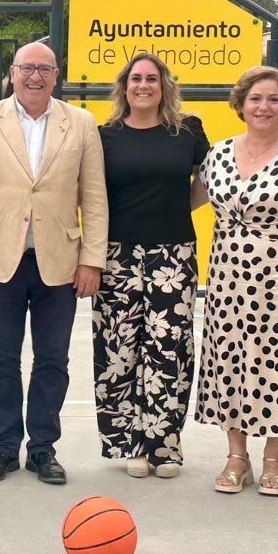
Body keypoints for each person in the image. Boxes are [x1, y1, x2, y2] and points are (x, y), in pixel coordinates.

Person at [0, 41, 108, 485]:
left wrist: (92, 259)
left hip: (59, 261)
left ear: (56, 75)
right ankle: (3, 447)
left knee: (52, 360)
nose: (35, 77)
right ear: (12, 73)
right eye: (27, 68)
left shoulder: (80, 123)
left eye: (44, 69)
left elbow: (93, 199)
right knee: (0, 359)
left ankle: (43, 449)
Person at [193, 66, 278, 496]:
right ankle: (237, 456)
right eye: (256, 99)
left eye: (274, 99)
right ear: (241, 105)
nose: (263, 106)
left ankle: (273, 457)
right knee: (229, 359)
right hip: (227, 278)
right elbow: (186, 199)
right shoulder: (218, 153)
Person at [92, 52, 209, 480]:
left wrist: (177, 209)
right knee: (120, 351)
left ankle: (165, 445)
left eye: (152, 79)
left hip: (173, 254)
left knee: (169, 351)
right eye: (136, 78)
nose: (144, 85)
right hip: (116, 255)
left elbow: (206, 184)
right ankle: (131, 445)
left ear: (164, 86)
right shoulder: (105, 136)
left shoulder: (188, 131)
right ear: (124, 87)